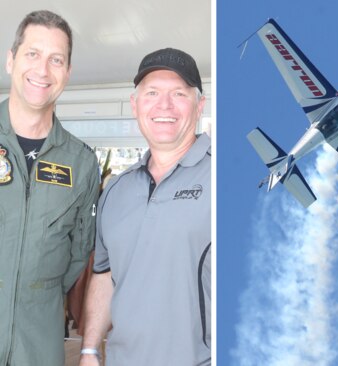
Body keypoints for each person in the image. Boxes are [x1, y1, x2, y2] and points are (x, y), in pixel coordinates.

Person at [80, 48, 211, 365]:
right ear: (135, 105)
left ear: (199, 105)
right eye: (152, 93)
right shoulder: (116, 189)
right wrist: (89, 349)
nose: (164, 105)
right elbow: (104, 274)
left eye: (178, 93)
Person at [0, 10, 100, 366]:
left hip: (38, 345)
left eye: (56, 59)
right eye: (32, 54)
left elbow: (79, 251)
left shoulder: (82, 163)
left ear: (67, 72)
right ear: (11, 60)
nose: (43, 70)